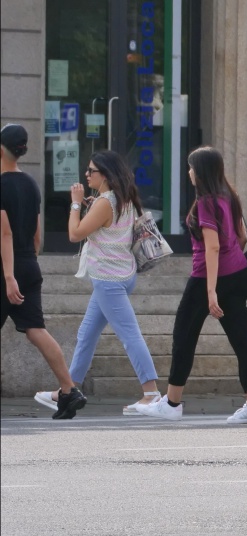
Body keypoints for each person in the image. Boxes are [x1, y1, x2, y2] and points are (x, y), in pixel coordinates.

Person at [137, 146, 247, 424]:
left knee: (183, 335)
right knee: (243, 341)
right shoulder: (230, 197)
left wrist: (210, 292)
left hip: (207, 277)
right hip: (237, 274)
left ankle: (172, 403)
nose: (189, 172)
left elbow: (212, 248)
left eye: (192, 167)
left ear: (202, 171)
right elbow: (242, 237)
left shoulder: (207, 202)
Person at [32, 151, 160, 415]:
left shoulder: (106, 202)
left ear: (105, 174)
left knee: (129, 335)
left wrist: (76, 204)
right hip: (121, 276)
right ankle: (68, 390)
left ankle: (151, 393)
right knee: (86, 335)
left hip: (109, 280)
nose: (86, 174)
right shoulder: (120, 198)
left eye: (91, 171)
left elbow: (74, 233)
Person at [1, 123, 87, 419]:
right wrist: (27, 264)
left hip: (6, 269)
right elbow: (37, 235)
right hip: (28, 264)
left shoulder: (0, 184)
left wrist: (9, 276)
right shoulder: (31, 184)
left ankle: (68, 390)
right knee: (36, 330)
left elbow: (5, 234)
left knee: (36, 330)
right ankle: (68, 389)